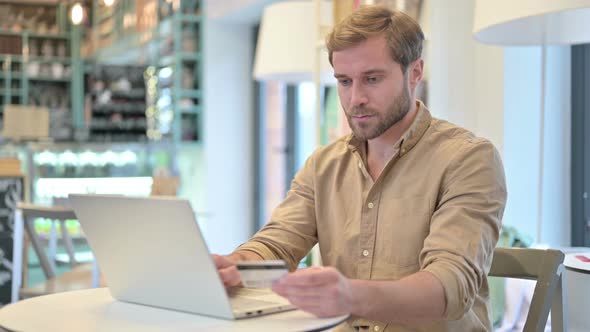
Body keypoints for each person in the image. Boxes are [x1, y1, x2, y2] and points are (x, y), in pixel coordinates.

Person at [214, 5, 506, 332]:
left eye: (372, 79)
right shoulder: (323, 165)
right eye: (344, 81)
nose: (355, 99)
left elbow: (449, 287)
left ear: (415, 72)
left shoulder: (468, 159)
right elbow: (276, 246)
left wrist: (350, 295)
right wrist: (235, 266)